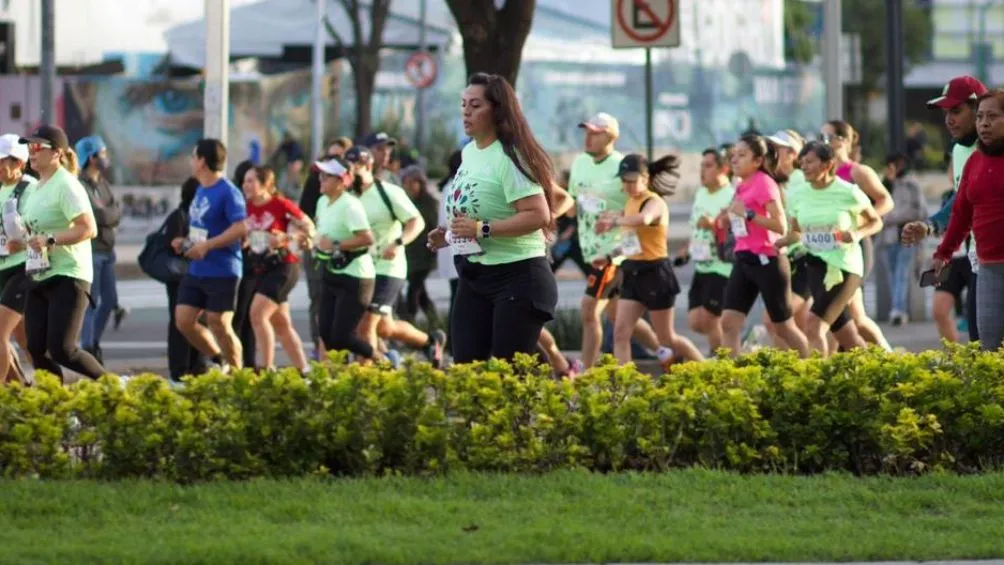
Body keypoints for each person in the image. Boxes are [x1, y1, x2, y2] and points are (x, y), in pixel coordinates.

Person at [426, 73, 558, 363]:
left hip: (518, 276)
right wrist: (450, 233)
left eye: (475, 105)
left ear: (497, 111)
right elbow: (478, 208)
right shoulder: (469, 152)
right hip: (475, 275)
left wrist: (480, 228)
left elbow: (538, 215)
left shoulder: (511, 157)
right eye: (463, 104)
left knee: (509, 372)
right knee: (466, 367)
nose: (466, 111)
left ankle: (553, 398)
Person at [567, 112, 661, 368]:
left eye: (595, 133)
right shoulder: (579, 164)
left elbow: (643, 203)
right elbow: (574, 203)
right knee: (617, 315)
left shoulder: (624, 166)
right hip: (591, 252)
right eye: (586, 131)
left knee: (588, 311)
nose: (588, 137)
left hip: (614, 254)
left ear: (611, 136)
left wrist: (618, 217)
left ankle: (584, 373)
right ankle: (665, 352)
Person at [16, 125, 107, 382]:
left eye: (37, 147)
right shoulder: (36, 187)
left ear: (56, 153)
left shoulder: (66, 184)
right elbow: (36, 231)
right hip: (39, 273)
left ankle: (112, 386)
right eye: (28, 147)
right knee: (35, 349)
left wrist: (51, 239)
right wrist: (22, 241)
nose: (31, 152)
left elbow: (89, 228)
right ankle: (54, 405)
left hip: (68, 275)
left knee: (62, 349)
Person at [901, 75, 988, 344]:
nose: (949, 119)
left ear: (978, 108)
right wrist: (930, 226)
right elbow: (961, 204)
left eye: (956, 111)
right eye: (946, 112)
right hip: (978, 257)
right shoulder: (961, 151)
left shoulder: (993, 150)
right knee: (980, 343)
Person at [775, 141, 883, 355]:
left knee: (813, 325)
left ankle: (818, 381)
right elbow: (796, 232)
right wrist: (778, 243)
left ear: (827, 164)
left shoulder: (848, 191)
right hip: (815, 268)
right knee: (847, 336)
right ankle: (877, 373)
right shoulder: (798, 195)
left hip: (844, 268)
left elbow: (875, 221)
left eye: (810, 162)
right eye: (802, 162)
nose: (804, 166)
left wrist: (856, 233)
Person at [596, 154, 704, 366]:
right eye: (624, 180)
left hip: (655, 273)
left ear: (645, 178)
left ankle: (707, 369)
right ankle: (625, 386)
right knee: (620, 332)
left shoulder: (653, 202)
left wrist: (615, 221)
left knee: (666, 338)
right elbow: (631, 244)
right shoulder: (630, 204)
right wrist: (609, 256)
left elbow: (644, 219)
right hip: (633, 271)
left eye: (632, 180)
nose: (627, 185)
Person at [346, 147, 446, 368]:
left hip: (389, 268)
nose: (351, 172)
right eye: (348, 167)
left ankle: (372, 374)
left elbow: (416, 222)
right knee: (385, 328)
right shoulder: (348, 196)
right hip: (364, 269)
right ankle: (430, 342)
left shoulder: (387, 192)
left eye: (355, 166)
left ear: (368, 166)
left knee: (366, 325)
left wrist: (398, 242)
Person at [716, 134, 810, 358]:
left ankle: (812, 370)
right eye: (733, 155)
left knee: (783, 327)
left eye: (741, 155)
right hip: (744, 258)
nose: (734, 160)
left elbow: (780, 225)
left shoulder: (765, 183)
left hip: (768, 261)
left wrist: (748, 214)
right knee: (728, 322)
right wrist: (727, 217)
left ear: (757, 161)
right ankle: (732, 384)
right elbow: (739, 213)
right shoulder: (741, 184)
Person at [933, 88, 1004, 350]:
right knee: (989, 348)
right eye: (981, 117)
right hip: (988, 268)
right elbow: (961, 213)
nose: (984, 124)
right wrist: (944, 253)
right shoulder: (974, 160)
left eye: (993, 117)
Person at [171, 139, 248, 371]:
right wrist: (186, 243)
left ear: (202, 161)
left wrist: (208, 246)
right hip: (197, 269)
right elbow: (201, 229)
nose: (192, 162)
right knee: (184, 320)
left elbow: (241, 227)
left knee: (219, 322)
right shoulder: (200, 189)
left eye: (194, 157)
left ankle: (239, 375)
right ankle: (218, 357)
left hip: (223, 268)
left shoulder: (228, 191)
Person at [820, 120, 894, 351]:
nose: (821, 142)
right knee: (847, 315)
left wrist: (860, 222)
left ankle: (887, 357)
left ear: (841, 140)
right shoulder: (822, 173)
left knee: (850, 316)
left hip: (856, 247)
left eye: (826, 137)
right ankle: (851, 361)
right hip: (829, 250)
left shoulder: (857, 172)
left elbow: (885, 201)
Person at [241, 165, 314, 373]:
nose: (245, 185)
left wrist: (286, 238)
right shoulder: (244, 207)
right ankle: (304, 371)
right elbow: (244, 234)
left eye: (251, 181)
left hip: (283, 266)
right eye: (245, 181)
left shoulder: (280, 204)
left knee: (257, 314)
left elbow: (309, 228)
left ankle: (266, 369)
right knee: (281, 324)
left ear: (266, 185)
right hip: (261, 268)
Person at [312, 156, 379, 361]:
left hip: (356, 277)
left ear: (343, 181)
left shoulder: (350, 205)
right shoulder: (322, 201)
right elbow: (321, 234)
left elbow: (367, 238)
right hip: (330, 271)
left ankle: (383, 360)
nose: (321, 179)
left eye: (327, 176)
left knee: (342, 337)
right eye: (321, 175)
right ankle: (339, 383)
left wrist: (335, 245)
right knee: (325, 334)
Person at [299, 139, 353, 359]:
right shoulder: (317, 185)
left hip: (349, 262)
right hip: (317, 253)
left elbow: (364, 236)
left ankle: (368, 354)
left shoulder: (351, 201)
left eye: (339, 156)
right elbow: (303, 215)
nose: (331, 162)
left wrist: (338, 245)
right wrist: (309, 237)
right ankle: (320, 350)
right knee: (319, 299)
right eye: (329, 156)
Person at [75, 135, 122, 364]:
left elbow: (115, 212)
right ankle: (88, 348)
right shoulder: (81, 185)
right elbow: (100, 215)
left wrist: (108, 215)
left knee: (110, 300)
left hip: (108, 251)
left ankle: (94, 341)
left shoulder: (102, 183)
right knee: (91, 303)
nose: (105, 157)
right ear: (91, 157)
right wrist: (108, 215)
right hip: (92, 252)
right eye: (101, 153)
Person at [684, 147, 735, 354]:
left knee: (710, 317)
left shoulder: (731, 195)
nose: (702, 171)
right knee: (695, 321)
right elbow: (695, 226)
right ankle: (730, 338)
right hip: (701, 263)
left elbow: (737, 231)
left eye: (708, 166)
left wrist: (714, 224)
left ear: (723, 169)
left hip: (722, 266)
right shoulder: (701, 193)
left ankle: (720, 358)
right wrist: (686, 249)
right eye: (701, 166)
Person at [161, 178, 208, 381]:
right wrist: (190, 245)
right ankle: (179, 370)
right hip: (180, 278)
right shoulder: (179, 216)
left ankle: (198, 365)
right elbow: (174, 245)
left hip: (198, 276)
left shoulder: (201, 216)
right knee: (180, 323)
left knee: (198, 321)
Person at [0, 134, 35, 384]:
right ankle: (22, 395)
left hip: (23, 269)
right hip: (2, 269)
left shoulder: (31, 188)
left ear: (19, 163)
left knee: (0, 333)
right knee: (24, 340)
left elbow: (43, 226)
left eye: (3, 162)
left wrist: (21, 238)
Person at [878, 152, 927, 326]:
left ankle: (899, 310)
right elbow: (876, 208)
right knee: (892, 275)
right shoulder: (882, 185)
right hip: (888, 238)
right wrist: (887, 182)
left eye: (898, 164)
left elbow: (920, 211)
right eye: (892, 164)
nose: (895, 168)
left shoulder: (911, 184)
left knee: (901, 273)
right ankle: (897, 308)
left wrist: (895, 218)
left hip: (908, 236)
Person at [401, 165, 440, 325]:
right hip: (410, 255)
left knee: (413, 291)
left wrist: (433, 249)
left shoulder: (428, 203)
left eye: (413, 183)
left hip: (424, 255)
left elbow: (434, 226)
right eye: (407, 183)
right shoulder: (406, 201)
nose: (410, 186)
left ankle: (408, 323)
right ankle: (435, 322)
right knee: (421, 293)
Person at [230, 160, 257, 368]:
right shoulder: (235, 200)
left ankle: (249, 365)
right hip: (238, 263)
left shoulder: (263, 201)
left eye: (255, 180)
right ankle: (235, 364)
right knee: (237, 317)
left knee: (252, 318)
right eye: (247, 180)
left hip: (258, 266)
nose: (251, 184)